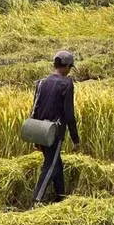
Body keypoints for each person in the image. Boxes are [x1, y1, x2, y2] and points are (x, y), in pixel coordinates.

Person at [31, 51, 80, 204]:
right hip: (54, 131)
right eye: (70, 67)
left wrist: (36, 137)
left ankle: (61, 197)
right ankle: (36, 200)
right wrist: (75, 139)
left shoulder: (42, 82)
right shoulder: (66, 84)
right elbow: (69, 114)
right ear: (66, 66)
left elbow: (35, 109)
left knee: (56, 163)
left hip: (40, 129)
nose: (69, 70)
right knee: (50, 167)